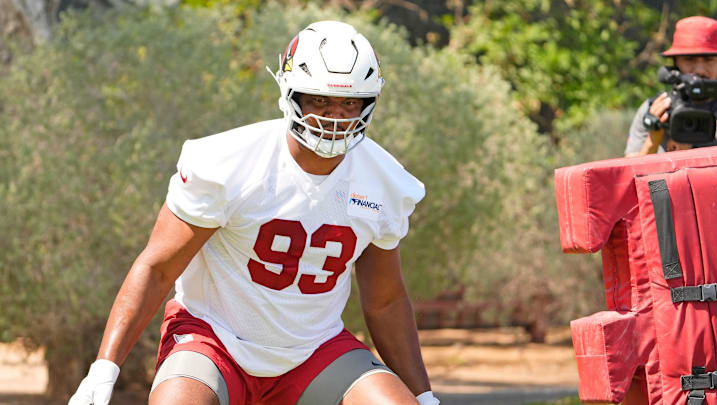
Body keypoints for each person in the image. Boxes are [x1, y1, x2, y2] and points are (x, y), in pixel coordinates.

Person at [68, 20, 440, 405]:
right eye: (319, 100)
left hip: (315, 349)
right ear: (291, 95)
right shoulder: (229, 163)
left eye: (349, 103)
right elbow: (158, 268)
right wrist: (104, 368)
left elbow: (385, 301)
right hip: (215, 339)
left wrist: (423, 394)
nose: (334, 116)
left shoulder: (384, 180)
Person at [625, 16, 717, 157]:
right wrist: (653, 140)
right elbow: (631, 175)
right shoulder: (655, 109)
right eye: (690, 59)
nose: (700, 70)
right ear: (675, 64)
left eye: (709, 59)